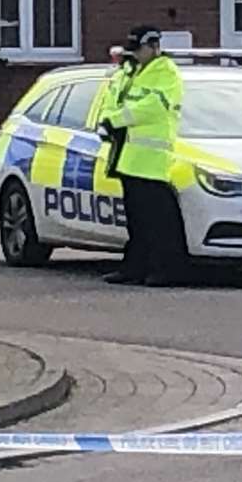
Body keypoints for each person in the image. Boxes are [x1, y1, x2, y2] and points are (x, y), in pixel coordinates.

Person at [96, 25, 186, 286]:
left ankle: (165, 270)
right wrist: (106, 120)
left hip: (152, 161)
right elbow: (112, 99)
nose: (135, 55)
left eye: (140, 50)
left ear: (154, 46)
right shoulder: (129, 72)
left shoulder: (166, 72)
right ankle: (134, 267)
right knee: (136, 219)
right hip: (128, 157)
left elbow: (153, 107)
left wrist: (115, 120)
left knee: (158, 220)